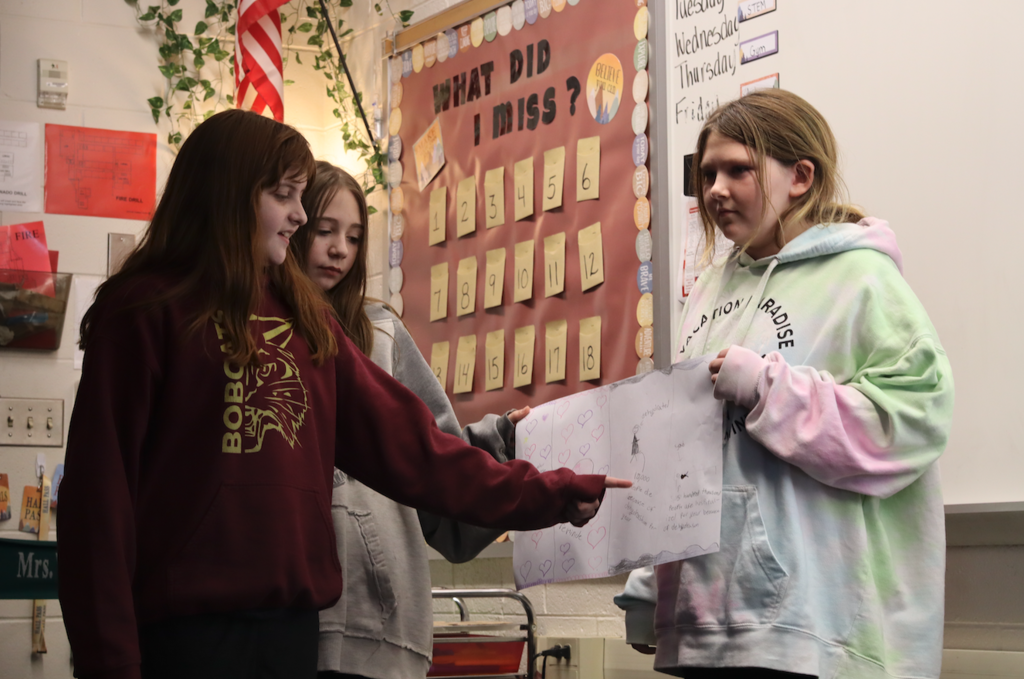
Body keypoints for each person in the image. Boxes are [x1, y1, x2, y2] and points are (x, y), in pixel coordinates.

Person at [57, 109, 629, 679]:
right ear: (230, 196)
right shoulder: (144, 310)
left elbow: (416, 451)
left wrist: (551, 493)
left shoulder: (307, 320)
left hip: (291, 634)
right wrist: (109, 661)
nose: (299, 216)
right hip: (182, 637)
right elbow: (97, 507)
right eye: (284, 196)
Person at [613, 89, 953, 679]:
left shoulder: (861, 278)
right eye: (708, 172)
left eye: (738, 169)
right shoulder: (709, 295)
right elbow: (690, 452)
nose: (715, 188)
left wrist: (771, 391)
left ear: (800, 177)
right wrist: (654, 584)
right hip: (707, 627)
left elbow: (914, 422)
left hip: (817, 630)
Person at [289, 161, 524, 679]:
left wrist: (502, 445)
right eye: (325, 231)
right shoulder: (260, 330)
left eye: (353, 237)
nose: (339, 251)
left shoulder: (382, 333)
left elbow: (435, 457)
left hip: (380, 615)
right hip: (286, 616)